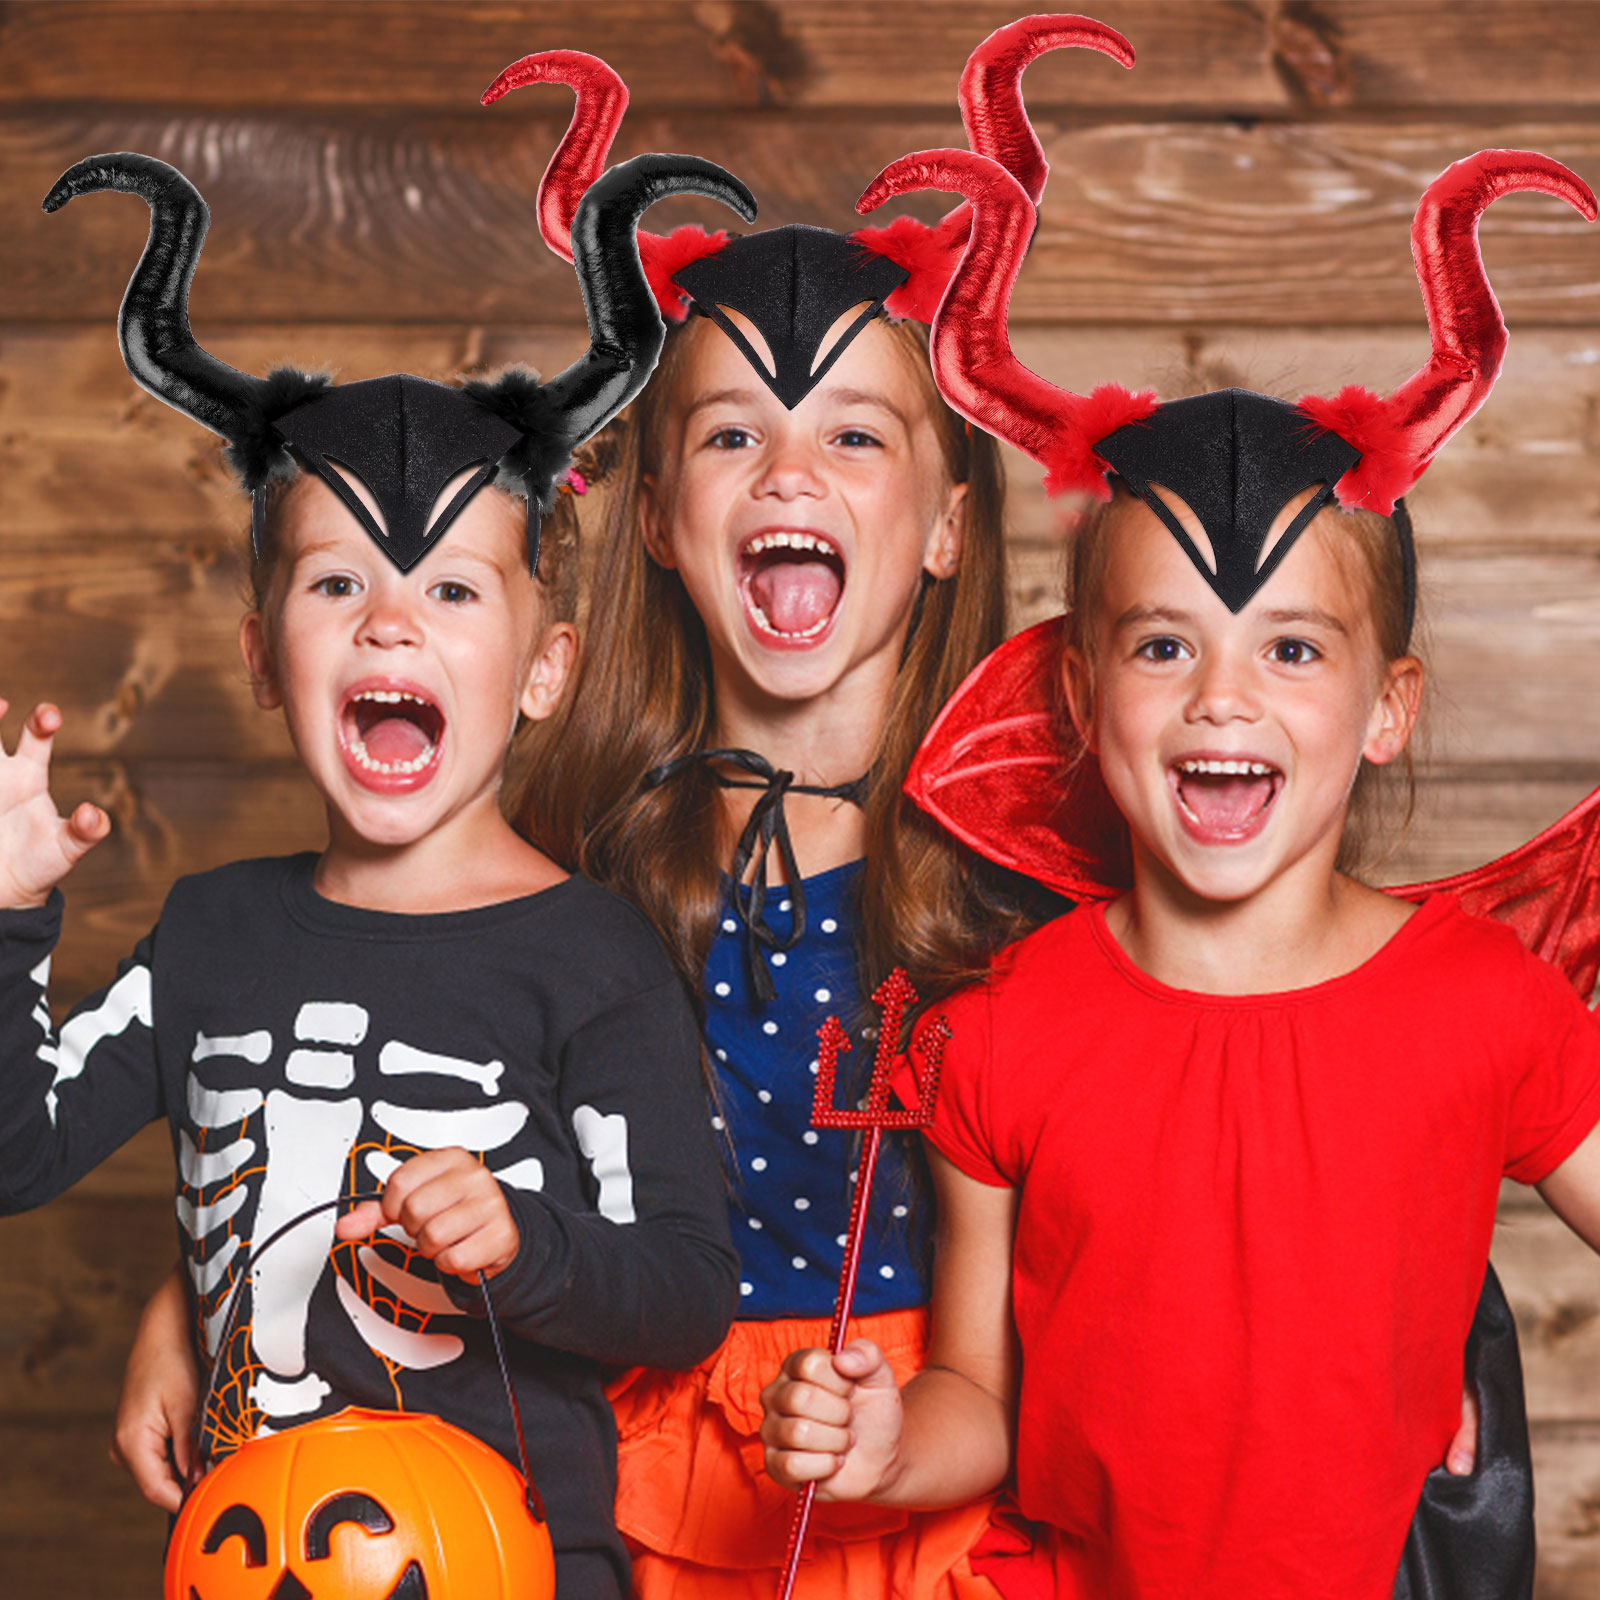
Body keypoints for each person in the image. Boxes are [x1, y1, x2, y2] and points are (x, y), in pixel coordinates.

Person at [759, 146, 1600, 1597]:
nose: (1223, 698)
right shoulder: (999, 1032)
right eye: (1165, 645)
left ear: (1388, 709)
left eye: (1292, 649)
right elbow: (981, 1402)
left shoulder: (1490, 1006)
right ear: (1083, 703)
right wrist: (886, 1450)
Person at [2, 147, 755, 1599]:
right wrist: (8, 918)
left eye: (452, 589)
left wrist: (528, 1245)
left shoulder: (593, 958)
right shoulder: (208, 931)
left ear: (544, 671)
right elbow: (16, 1154)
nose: (390, 626)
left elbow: (682, 1290)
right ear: (262, 659)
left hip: (518, 1565)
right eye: (337, 582)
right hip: (242, 1556)